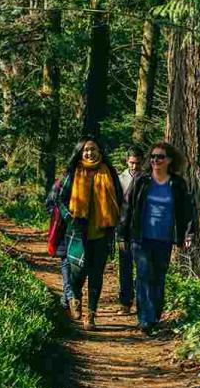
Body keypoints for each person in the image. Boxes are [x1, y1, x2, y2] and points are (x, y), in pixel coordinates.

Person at [117, 141, 194, 334]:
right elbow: (128, 207)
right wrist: (122, 235)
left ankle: (154, 315)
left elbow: (186, 212)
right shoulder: (142, 180)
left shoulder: (177, 184)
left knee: (158, 277)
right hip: (140, 237)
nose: (155, 160)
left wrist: (187, 234)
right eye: (152, 157)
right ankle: (145, 319)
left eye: (160, 157)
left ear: (169, 160)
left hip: (164, 239)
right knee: (143, 275)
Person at [56, 139, 123, 331]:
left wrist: (115, 221)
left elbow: (118, 198)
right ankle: (75, 299)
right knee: (77, 271)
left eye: (93, 149)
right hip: (77, 232)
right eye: (86, 150)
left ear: (100, 151)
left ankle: (91, 314)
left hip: (101, 233)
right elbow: (59, 198)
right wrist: (69, 217)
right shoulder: (73, 171)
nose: (89, 153)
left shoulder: (108, 172)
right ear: (80, 152)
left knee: (96, 274)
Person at [117, 147, 144, 315]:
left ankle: (141, 301)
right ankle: (125, 302)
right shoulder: (120, 179)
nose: (134, 166)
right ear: (127, 161)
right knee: (124, 266)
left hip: (141, 229)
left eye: (138, 163)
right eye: (132, 163)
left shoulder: (147, 178)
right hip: (123, 229)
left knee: (141, 266)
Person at [45, 177, 75, 316]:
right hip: (62, 229)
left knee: (76, 265)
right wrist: (59, 215)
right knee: (65, 261)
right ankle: (69, 297)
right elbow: (49, 204)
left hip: (81, 229)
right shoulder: (61, 182)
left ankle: (66, 298)